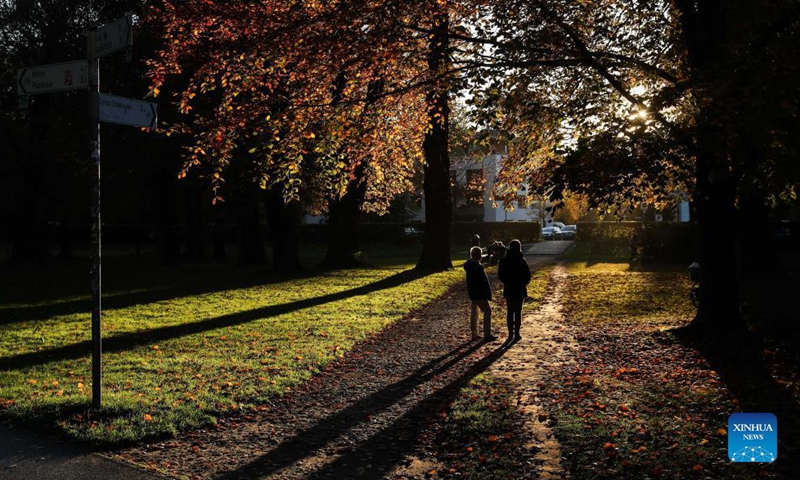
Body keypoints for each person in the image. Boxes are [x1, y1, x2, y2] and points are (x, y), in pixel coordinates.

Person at [498, 239, 531, 342]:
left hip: (509, 288)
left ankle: (510, 334)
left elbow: (500, 275)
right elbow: (528, 275)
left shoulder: (504, 260)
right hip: (519, 289)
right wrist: (523, 282)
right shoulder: (522, 260)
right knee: (518, 312)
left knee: (510, 311)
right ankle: (517, 333)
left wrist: (506, 282)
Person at [463, 246, 498, 341]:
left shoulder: (469, 266)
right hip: (480, 293)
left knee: (475, 313)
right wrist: (487, 294)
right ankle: (487, 334)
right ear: (479, 256)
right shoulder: (478, 267)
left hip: (473, 292)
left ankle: (474, 333)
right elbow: (483, 282)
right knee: (487, 311)